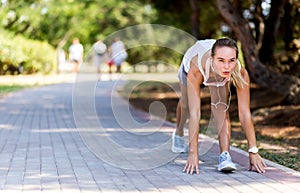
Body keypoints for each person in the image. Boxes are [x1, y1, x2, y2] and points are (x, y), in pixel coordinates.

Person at [172, 37, 267, 174]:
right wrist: (193, 153)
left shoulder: (239, 72)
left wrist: (253, 150)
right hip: (192, 65)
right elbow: (195, 114)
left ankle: (225, 155)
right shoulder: (196, 70)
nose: (227, 66)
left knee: (220, 107)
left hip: (216, 74)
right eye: (221, 60)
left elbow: (245, 112)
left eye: (231, 61)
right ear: (212, 58)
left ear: (236, 59)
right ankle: (179, 133)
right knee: (186, 104)